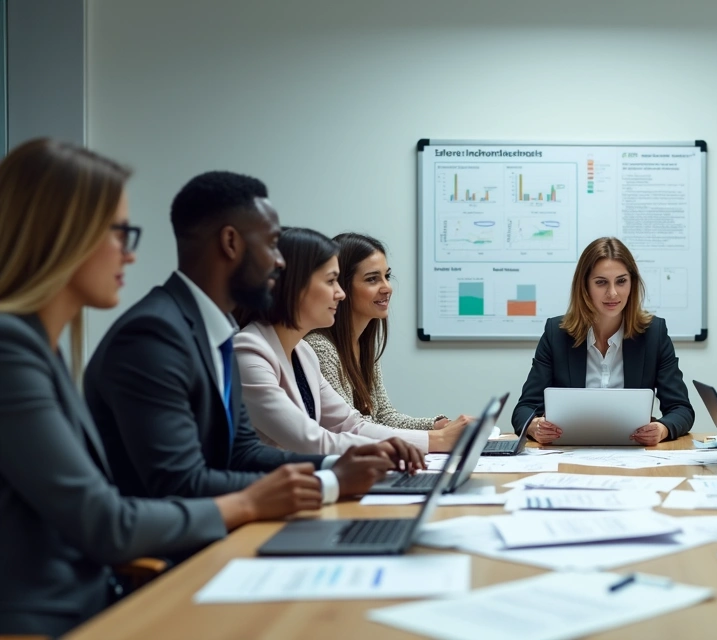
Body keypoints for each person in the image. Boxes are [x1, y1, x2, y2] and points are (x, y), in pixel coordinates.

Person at [0, 140, 324, 637]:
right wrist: (252, 502)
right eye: (119, 233)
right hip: (56, 621)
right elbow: (106, 522)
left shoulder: (44, 349)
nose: (130, 254)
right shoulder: (12, 351)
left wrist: (331, 473)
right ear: (63, 235)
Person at [85, 171, 419, 506]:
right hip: (180, 550)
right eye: (272, 244)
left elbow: (242, 453)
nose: (278, 262)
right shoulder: (154, 335)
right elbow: (181, 482)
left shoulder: (212, 330)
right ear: (231, 243)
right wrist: (329, 482)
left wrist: (339, 466)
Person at [234, 228, 464, 454]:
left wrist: (435, 437)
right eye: (331, 281)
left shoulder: (302, 352)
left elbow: (352, 425)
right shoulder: (248, 354)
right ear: (294, 285)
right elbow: (312, 441)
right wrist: (435, 440)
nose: (340, 293)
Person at [512, 237, 694, 445]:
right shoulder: (557, 334)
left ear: (632, 284)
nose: (613, 293)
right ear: (585, 286)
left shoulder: (654, 333)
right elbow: (524, 409)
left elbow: (681, 409)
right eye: (601, 282)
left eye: (621, 281)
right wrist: (535, 426)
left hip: (634, 457)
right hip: (569, 453)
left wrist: (662, 429)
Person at [304, 232, 473, 433]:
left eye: (387, 276)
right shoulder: (320, 348)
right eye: (372, 279)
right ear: (342, 287)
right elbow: (353, 428)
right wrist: (436, 437)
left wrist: (437, 425)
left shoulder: (365, 345)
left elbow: (384, 415)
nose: (387, 288)